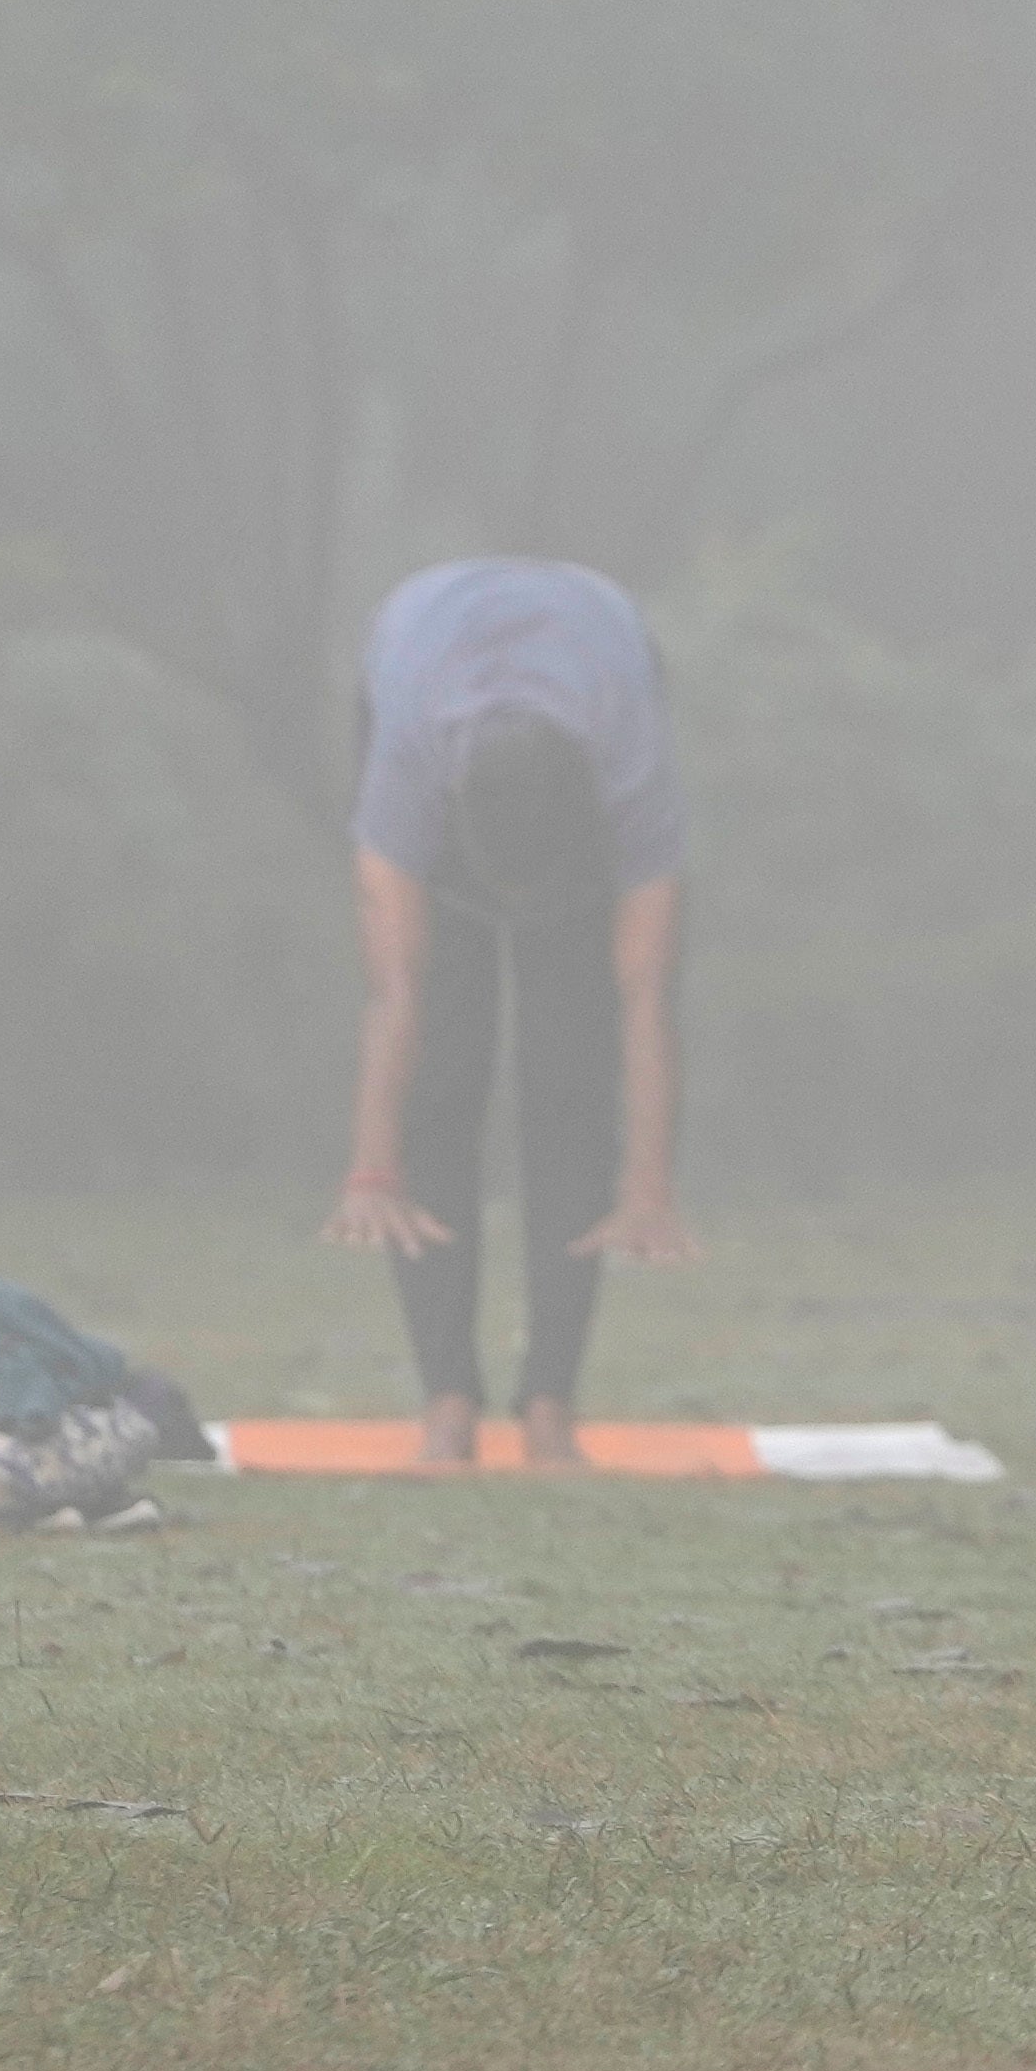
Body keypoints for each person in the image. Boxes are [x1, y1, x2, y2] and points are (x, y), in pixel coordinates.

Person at [320, 557, 695, 1465]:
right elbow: (394, 989)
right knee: (441, 1081)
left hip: (599, 664)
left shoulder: (630, 776)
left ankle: (549, 1407)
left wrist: (647, 1188)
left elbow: (644, 997)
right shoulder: (409, 773)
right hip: (422, 669)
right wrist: (373, 1171)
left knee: (570, 1094)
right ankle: (447, 1402)